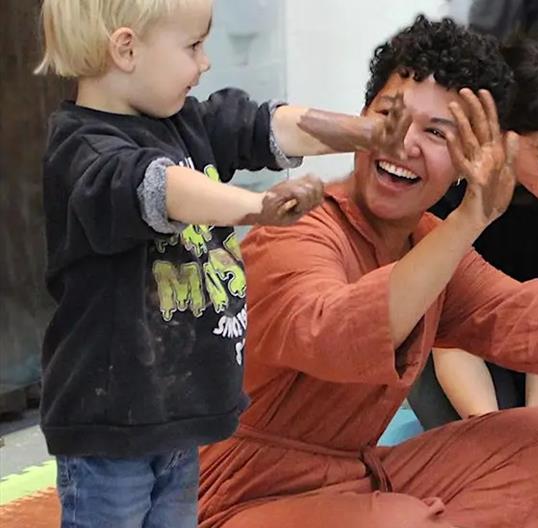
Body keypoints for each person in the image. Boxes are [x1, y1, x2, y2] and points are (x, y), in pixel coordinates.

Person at [197, 16, 538, 528]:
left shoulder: (428, 237)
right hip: (237, 496)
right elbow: (339, 332)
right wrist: (471, 218)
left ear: (470, 156)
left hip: (359, 476)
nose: (404, 144)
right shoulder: (297, 228)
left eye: (436, 134)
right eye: (388, 117)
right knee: (401, 519)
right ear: (361, 118)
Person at [35, 0, 411, 525]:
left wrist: (364, 132)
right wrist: (257, 207)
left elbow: (270, 126)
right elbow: (162, 187)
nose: (205, 62)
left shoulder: (187, 122)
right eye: (192, 47)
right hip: (109, 425)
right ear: (126, 49)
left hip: (181, 416)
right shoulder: (82, 151)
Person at [407, 33, 538, 443]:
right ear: (501, 133)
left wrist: (534, 430)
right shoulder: (449, 178)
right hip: (461, 342)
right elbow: (445, 330)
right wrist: (501, 432)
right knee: (473, 434)